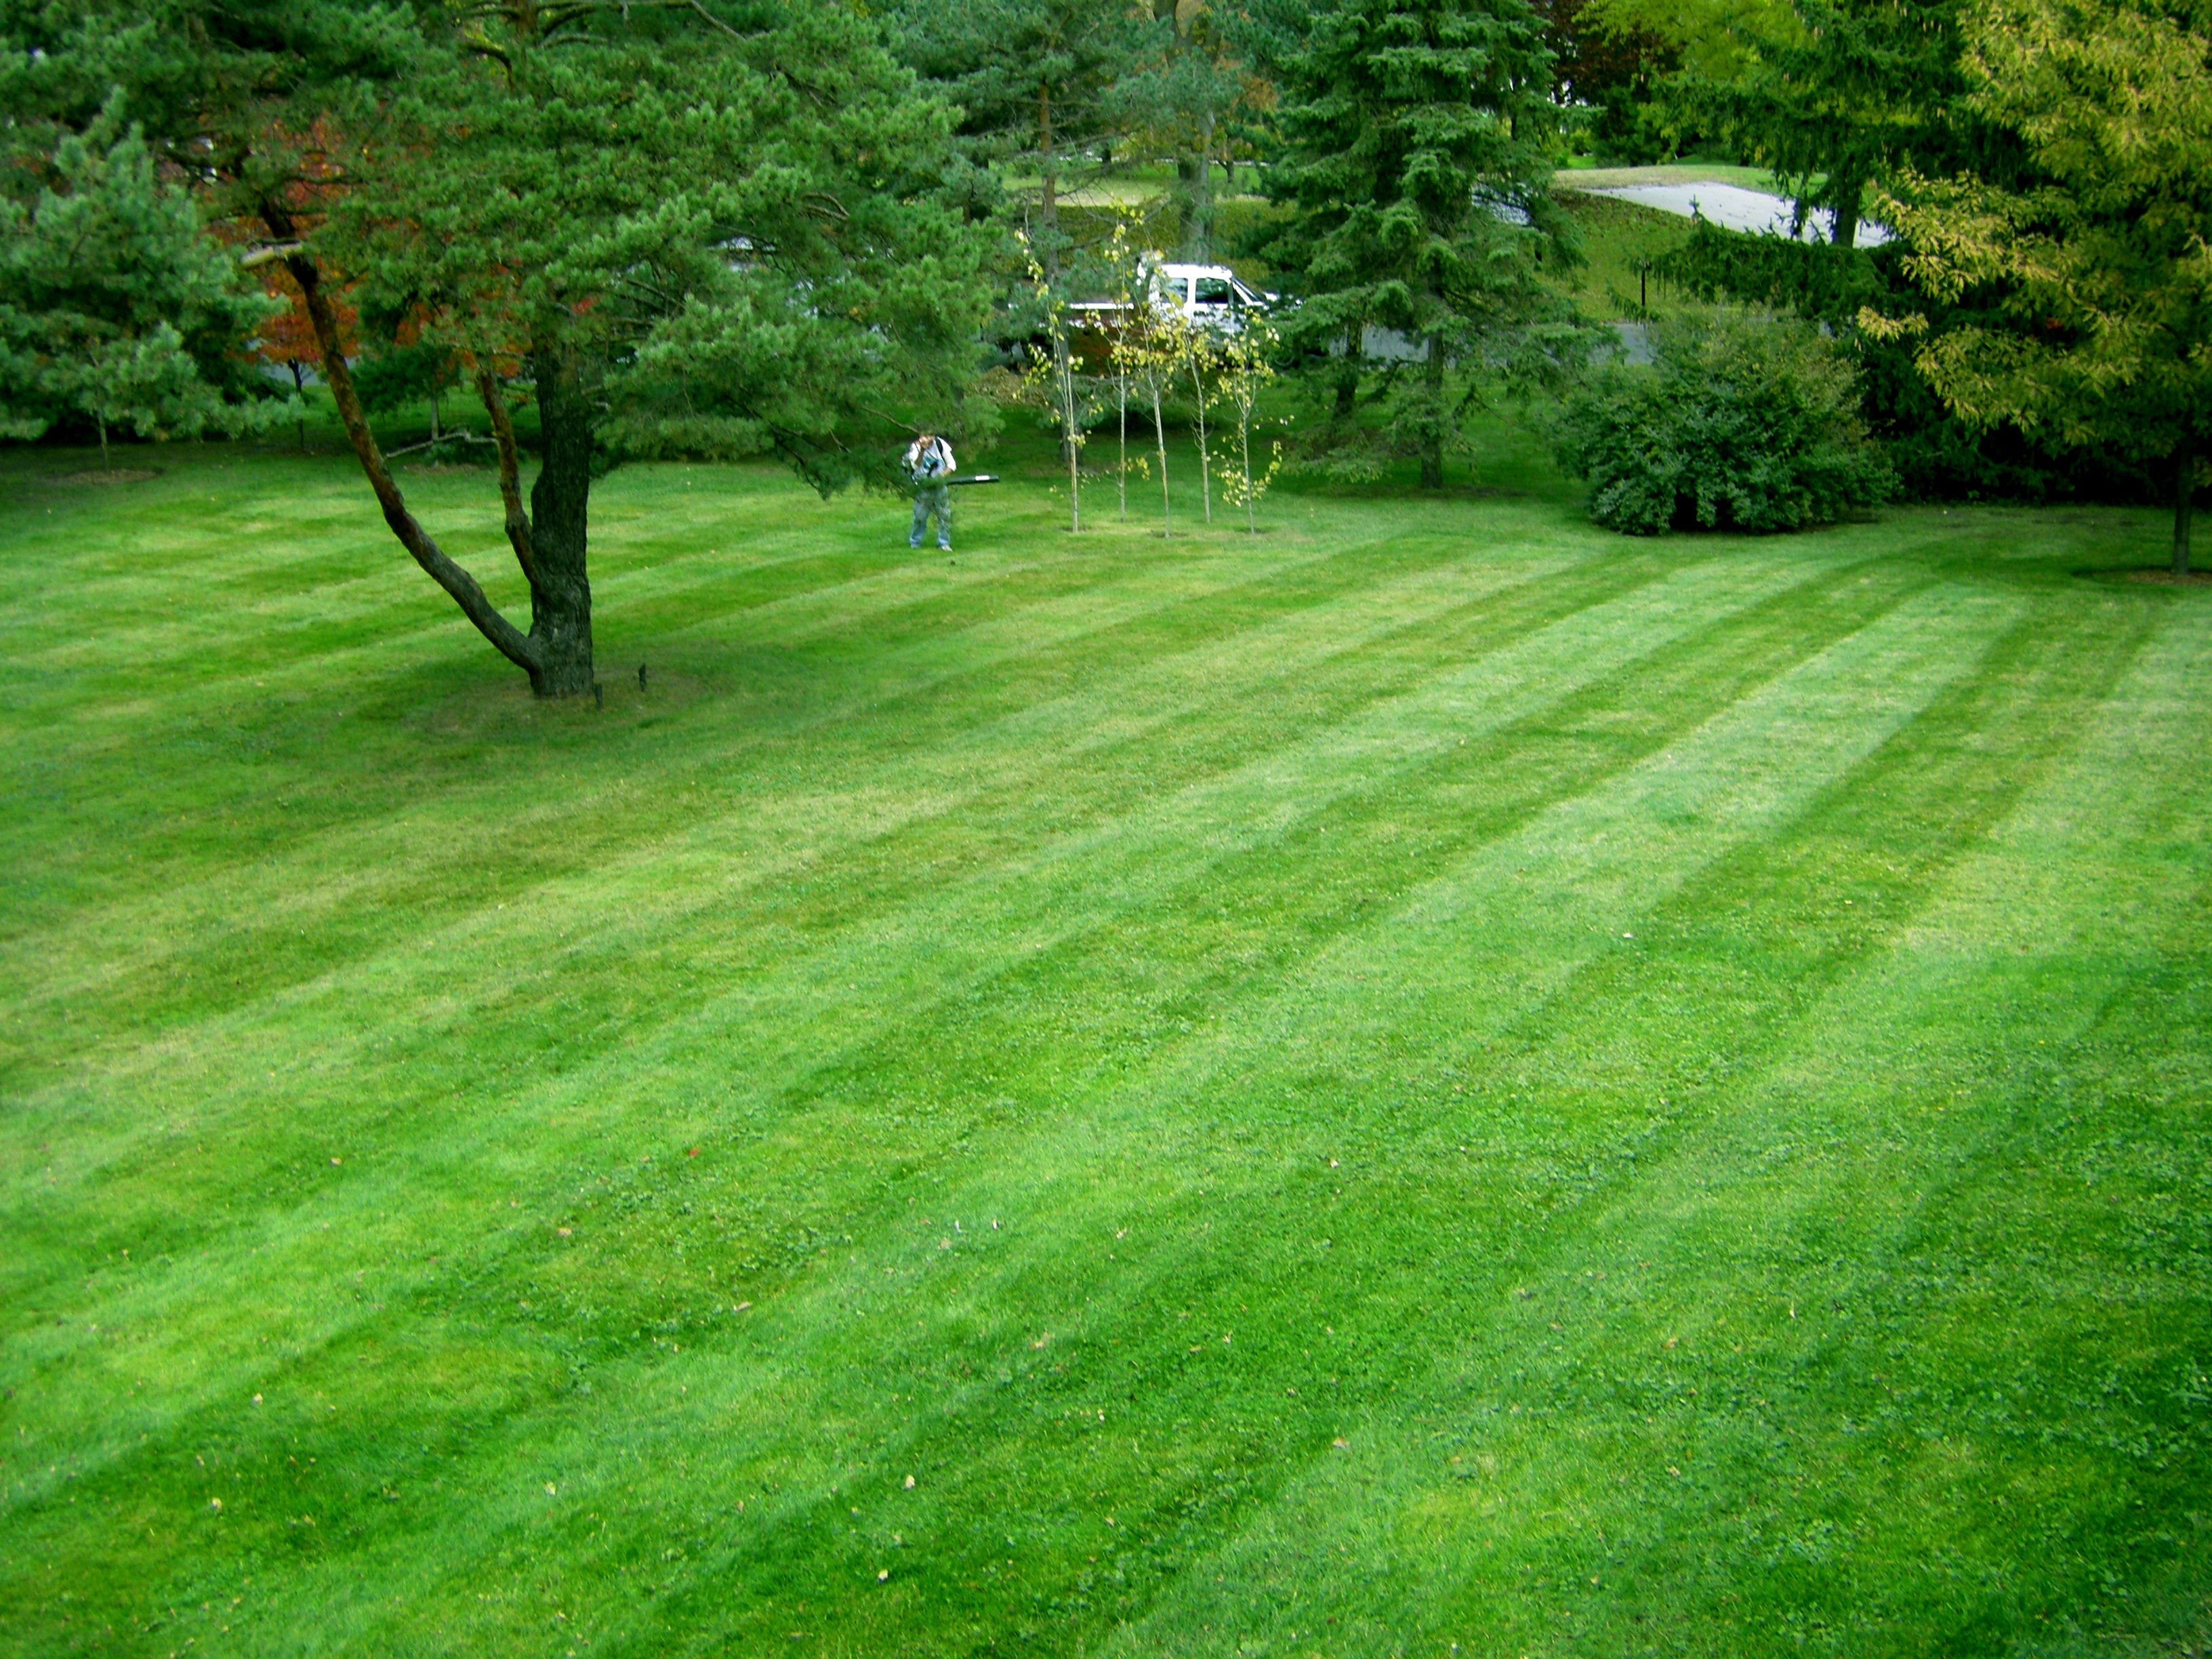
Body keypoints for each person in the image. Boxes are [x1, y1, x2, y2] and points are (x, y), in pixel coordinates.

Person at [905, 432, 955, 550]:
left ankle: (944, 543)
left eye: (930, 435)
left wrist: (941, 477)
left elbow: (951, 465)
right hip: (922, 486)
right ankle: (915, 542)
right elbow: (915, 465)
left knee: (944, 515)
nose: (928, 438)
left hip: (939, 486)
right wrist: (922, 450)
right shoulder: (915, 447)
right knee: (920, 516)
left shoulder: (940, 444)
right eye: (925, 435)